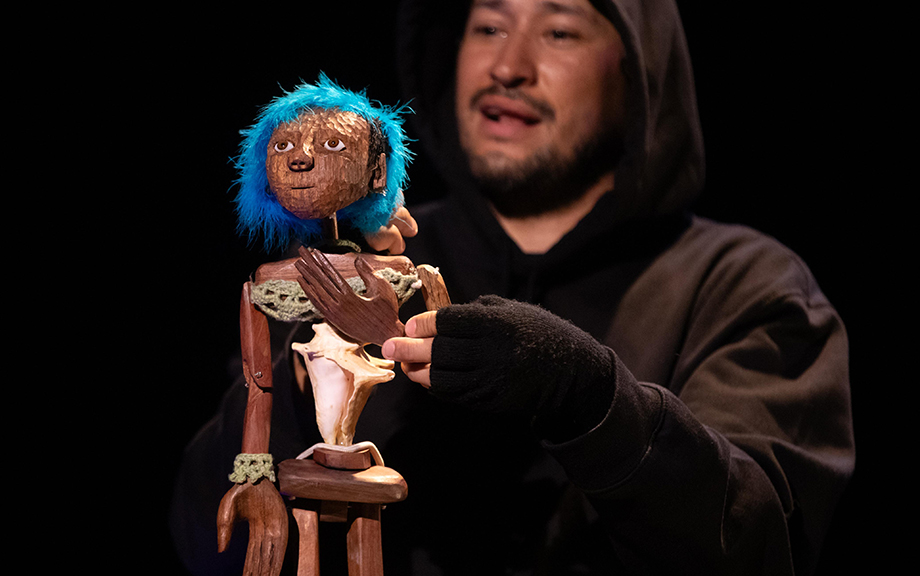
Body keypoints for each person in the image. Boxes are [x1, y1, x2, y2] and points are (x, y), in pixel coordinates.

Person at [170, 0, 854, 574]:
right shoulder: (347, 267)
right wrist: (301, 376)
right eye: (490, 26)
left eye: (559, 31)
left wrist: (588, 399)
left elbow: (761, 546)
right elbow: (203, 542)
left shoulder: (743, 286)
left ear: (639, 69)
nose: (508, 66)